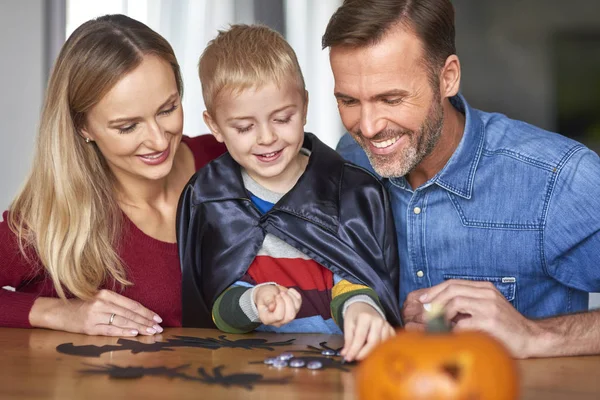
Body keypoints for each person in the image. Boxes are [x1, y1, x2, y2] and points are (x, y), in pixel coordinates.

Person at [323, 0, 600, 358]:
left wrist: (535, 335)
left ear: (448, 77)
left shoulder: (559, 177)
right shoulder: (350, 159)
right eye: (348, 101)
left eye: (390, 99)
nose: (369, 126)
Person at [177, 24, 401, 362]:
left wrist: (361, 309)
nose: (266, 137)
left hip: (337, 366)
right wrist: (253, 302)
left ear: (305, 105)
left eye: (282, 118)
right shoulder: (210, 199)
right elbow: (215, 309)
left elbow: (354, 278)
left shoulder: (349, 192)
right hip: (249, 373)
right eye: (244, 127)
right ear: (215, 126)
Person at [0, 15, 226, 336]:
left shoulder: (223, 159)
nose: (159, 141)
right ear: (83, 127)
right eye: (127, 126)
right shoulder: (52, 217)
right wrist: (58, 312)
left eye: (167, 109)